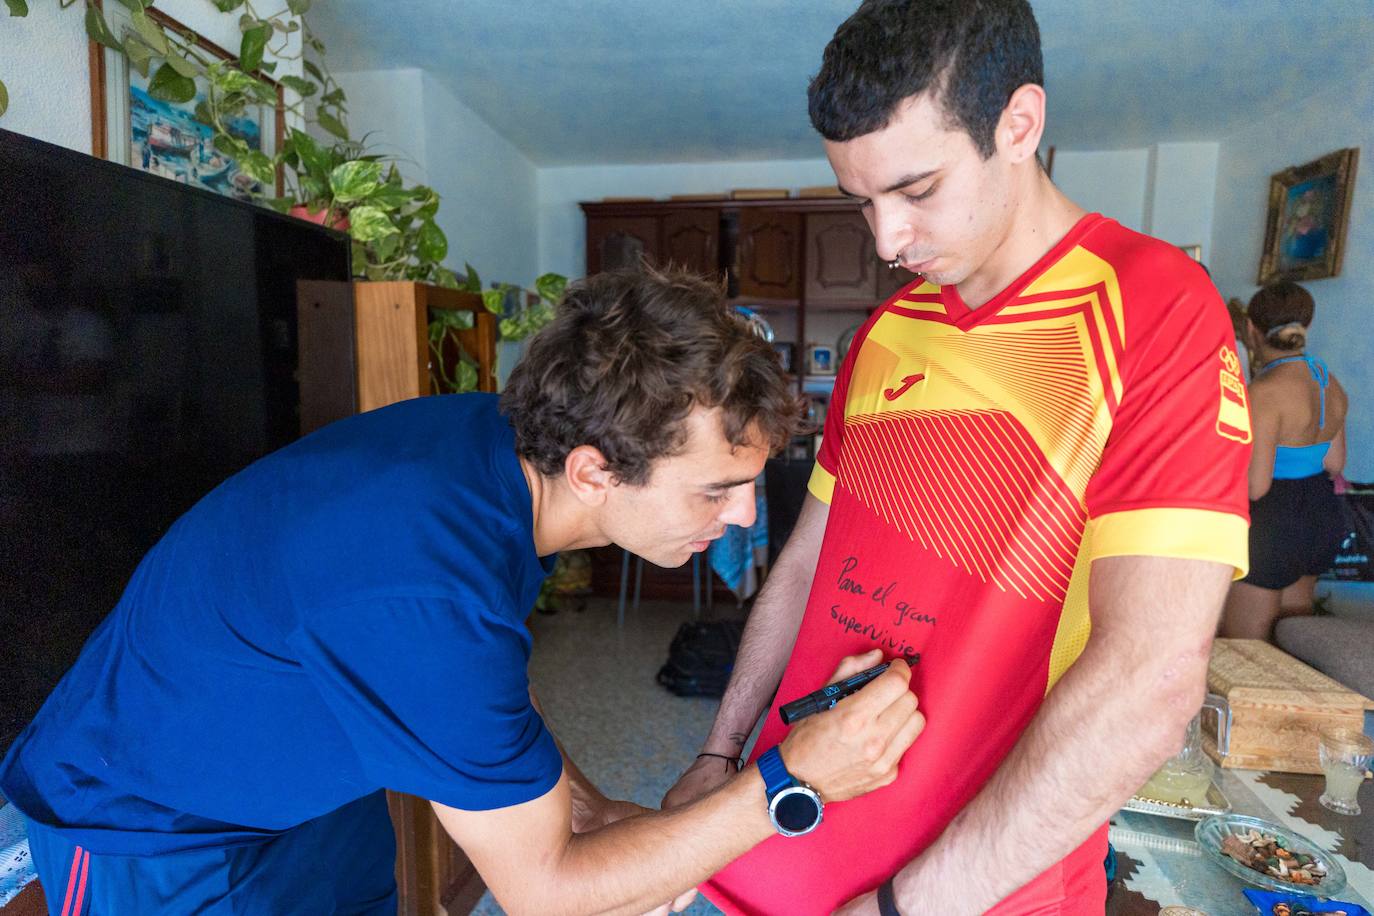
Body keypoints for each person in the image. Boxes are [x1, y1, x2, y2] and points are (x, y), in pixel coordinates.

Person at [0, 267, 924, 915]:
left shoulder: (497, 454)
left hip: (309, 789)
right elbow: (547, 896)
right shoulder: (422, 585)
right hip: (150, 824)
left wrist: (598, 811)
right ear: (598, 471)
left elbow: (483, 702)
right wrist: (786, 782)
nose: (738, 518)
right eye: (715, 490)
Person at [663, 2, 1252, 913]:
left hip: (968, 888)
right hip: (786, 830)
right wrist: (721, 753)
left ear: (1019, 125)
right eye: (863, 201)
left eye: (917, 189)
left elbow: (1151, 678)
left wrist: (904, 907)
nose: (887, 241)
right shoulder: (885, 335)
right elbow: (808, 563)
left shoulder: (1154, 309)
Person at [1222, 281, 1348, 640]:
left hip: (1275, 522)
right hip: (1321, 516)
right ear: (1304, 327)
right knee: (1292, 645)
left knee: (1247, 651)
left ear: (1251, 329)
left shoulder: (1263, 392)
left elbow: (1256, 486)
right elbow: (1335, 463)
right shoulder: (1328, 381)